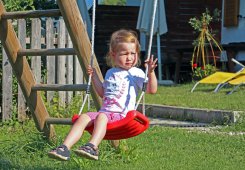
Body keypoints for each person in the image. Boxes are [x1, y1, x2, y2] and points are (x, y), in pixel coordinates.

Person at [48, 29, 158, 161]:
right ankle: (64, 148)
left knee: (101, 116)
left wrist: (150, 72)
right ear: (113, 54)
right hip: (105, 113)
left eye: (133, 53)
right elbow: (102, 93)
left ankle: (92, 147)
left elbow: (151, 90)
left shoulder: (136, 73)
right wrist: (94, 77)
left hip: (121, 115)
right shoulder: (111, 72)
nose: (129, 57)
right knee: (83, 117)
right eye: (124, 54)